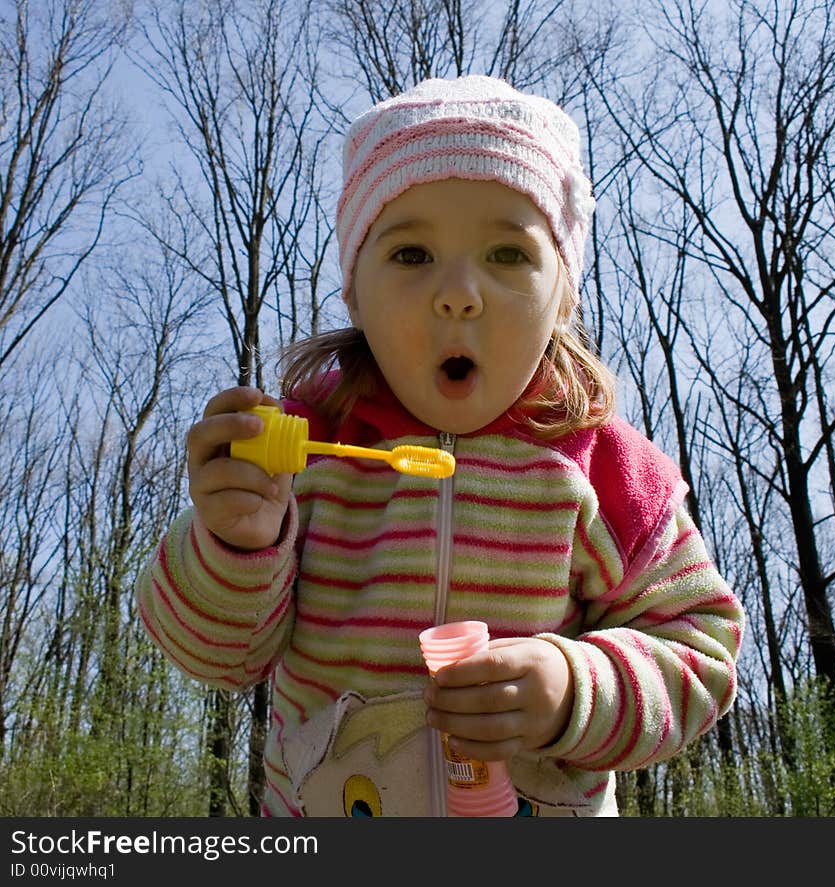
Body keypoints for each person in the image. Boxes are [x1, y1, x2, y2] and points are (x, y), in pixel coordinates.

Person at [137, 74, 744, 817]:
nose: (458, 291)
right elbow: (214, 655)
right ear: (354, 291)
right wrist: (232, 544)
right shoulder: (304, 457)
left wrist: (572, 687)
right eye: (412, 255)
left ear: (563, 294)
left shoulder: (606, 471)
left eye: (508, 254)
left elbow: (701, 650)